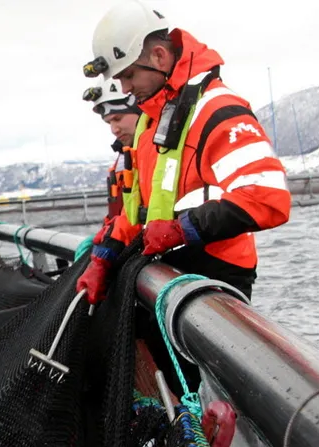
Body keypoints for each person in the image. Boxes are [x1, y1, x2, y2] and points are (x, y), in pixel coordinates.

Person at [76, 0, 291, 304]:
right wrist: (103, 257)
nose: (124, 88)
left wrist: (181, 230)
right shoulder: (150, 120)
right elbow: (137, 208)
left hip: (213, 284)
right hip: (164, 276)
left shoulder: (218, 110)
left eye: (128, 76)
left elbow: (267, 198)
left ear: (159, 56)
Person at [83, 78, 142, 226]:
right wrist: (106, 234)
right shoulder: (124, 157)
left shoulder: (160, 151)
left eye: (118, 118)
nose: (114, 130)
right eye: (109, 122)